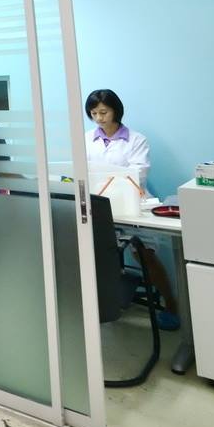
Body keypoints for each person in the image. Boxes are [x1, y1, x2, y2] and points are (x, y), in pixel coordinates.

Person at [83, 87, 180, 328]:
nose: (99, 118)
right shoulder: (86, 138)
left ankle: (171, 304)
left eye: (103, 112)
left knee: (144, 255)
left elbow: (139, 174)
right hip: (98, 205)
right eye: (94, 113)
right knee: (92, 253)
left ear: (116, 111)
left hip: (131, 203)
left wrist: (106, 179)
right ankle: (101, 304)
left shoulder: (136, 140)